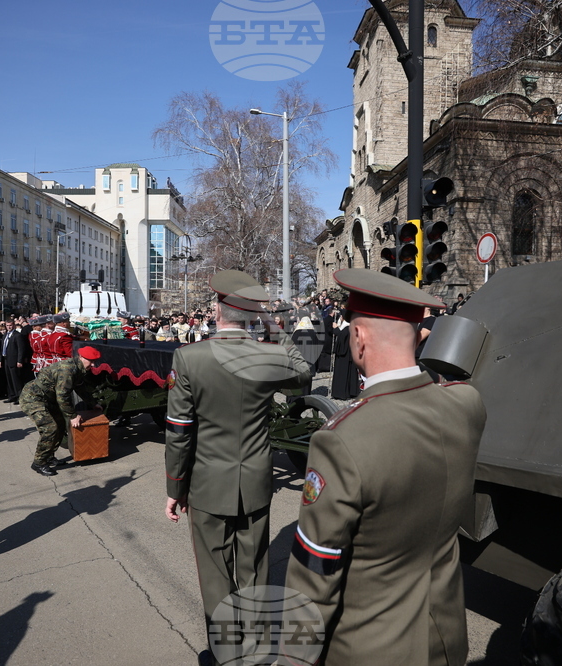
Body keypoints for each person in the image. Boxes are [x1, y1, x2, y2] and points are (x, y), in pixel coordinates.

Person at [282, 268, 487, 666]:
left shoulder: (340, 440)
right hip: (446, 638)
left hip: (371, 649)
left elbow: (314, 577)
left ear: (358, 338)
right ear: (418, 334)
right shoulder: (466, 405)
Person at [164, 269, 312, 662]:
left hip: (208, 483)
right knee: (256, 566)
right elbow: (303, 373)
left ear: (217, 310)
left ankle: (227, 651)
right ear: (250, 316)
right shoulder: (268, 355)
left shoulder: (189, 357)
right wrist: (275, 330)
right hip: (257, 480)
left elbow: (179, 431)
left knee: (216, 572)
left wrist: (175, 489)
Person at [19, 346, 104, 476]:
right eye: (90, 361)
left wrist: (93, 404)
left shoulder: (79, 369)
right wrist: (72, 416)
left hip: (48, 398)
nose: (92, 364)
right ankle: (39, 463)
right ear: (81, 357)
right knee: (50, 427)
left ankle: (49, 456)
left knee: (60, 424)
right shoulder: (68, 370)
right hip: (33, 398)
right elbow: (62, 395)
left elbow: (80, 388)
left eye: (94, 361)